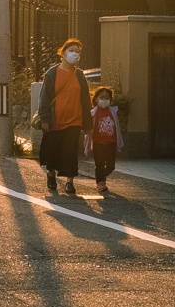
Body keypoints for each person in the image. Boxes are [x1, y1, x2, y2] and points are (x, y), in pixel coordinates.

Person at [37, 38, 92, 195]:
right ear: (62, 53)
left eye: (77, 51)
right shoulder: (51, 74)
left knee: (70, 150)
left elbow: (85, 100)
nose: (74, 54)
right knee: (53, 150)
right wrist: (45, 119)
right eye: (71, 50)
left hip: (74, 120)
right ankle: (51, 175)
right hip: (55, 120)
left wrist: (87, 123)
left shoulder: (80, 75)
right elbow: (44, 98)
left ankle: (69, 182)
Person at [85, 86, 124, 192]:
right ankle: (100, 182)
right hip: (98, 143)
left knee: (111, 166)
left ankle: (102, 175)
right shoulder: (93, 113)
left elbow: (117, 128)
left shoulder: (113, 112)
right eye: (101, 97)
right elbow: (89, 129)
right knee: (100, 163)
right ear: (96, 99)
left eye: (107, 97)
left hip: (111, 142)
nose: (104, 99)